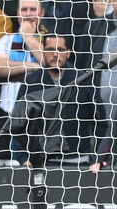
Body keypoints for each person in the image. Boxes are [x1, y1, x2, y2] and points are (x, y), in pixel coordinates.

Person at [14, 32, 98, 168]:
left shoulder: (83, 81)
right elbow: (17, 123)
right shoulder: (31, 83)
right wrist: (22, 157)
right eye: (50, 49)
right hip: (40, 163)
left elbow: (100, 121)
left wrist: (98, 157)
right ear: (43, 52)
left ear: (68, 53)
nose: (55, 54)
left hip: (78, 161)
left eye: (60, 49)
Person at [0, 0, 47, 116]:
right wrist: (33, 66)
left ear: (42, 13)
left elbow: (49, 64)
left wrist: (28, 38)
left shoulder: (50, 39)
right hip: (8, 113)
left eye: (33, 9)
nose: (28, 14)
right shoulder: (6, 40)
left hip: (40, 113)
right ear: (17, 13)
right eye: (24, 10)